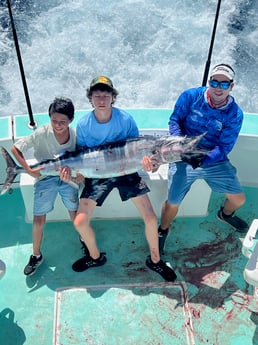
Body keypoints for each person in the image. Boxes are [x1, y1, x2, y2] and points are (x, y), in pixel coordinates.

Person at [71, 75, 177, 281]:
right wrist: (77, 175)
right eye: (97, 95)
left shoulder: (126, 119)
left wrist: (150, 165)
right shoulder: (83, 125)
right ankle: (95, 257)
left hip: (126, 171)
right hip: (98, 174)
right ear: (90, 98)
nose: (101, 99)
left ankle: (155, 260)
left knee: (150, 217)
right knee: (80, 222)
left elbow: (144, 154)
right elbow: (81, 158)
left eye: (106, 94)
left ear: (113, 97)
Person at [146, 63, 249, 254]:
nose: (218, 88)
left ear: (231, 87)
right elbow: (174, 120)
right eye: (214, 82)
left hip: (212, 157)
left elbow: (224, 147)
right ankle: (163, 230)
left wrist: (202, 161)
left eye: (224, 84)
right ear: (209, 82)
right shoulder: (190, 96)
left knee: (239, 199)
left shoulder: (235, 114)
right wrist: (179, 145)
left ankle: (225, 214)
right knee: (173, 202)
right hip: (181, 152)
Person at [11, 97, 79, 276]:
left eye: (62, 122)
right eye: (54, 121)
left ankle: (84, 240)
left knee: (75, 214)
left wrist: (73, 176)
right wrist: (28, 170)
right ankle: (36, 255)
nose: (58, 125)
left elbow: (79, 164)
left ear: (70, 120)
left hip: (67, 179)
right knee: (38, 219)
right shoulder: (41, 132)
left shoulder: (74, 135)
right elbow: (16, 149)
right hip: (44, 178)